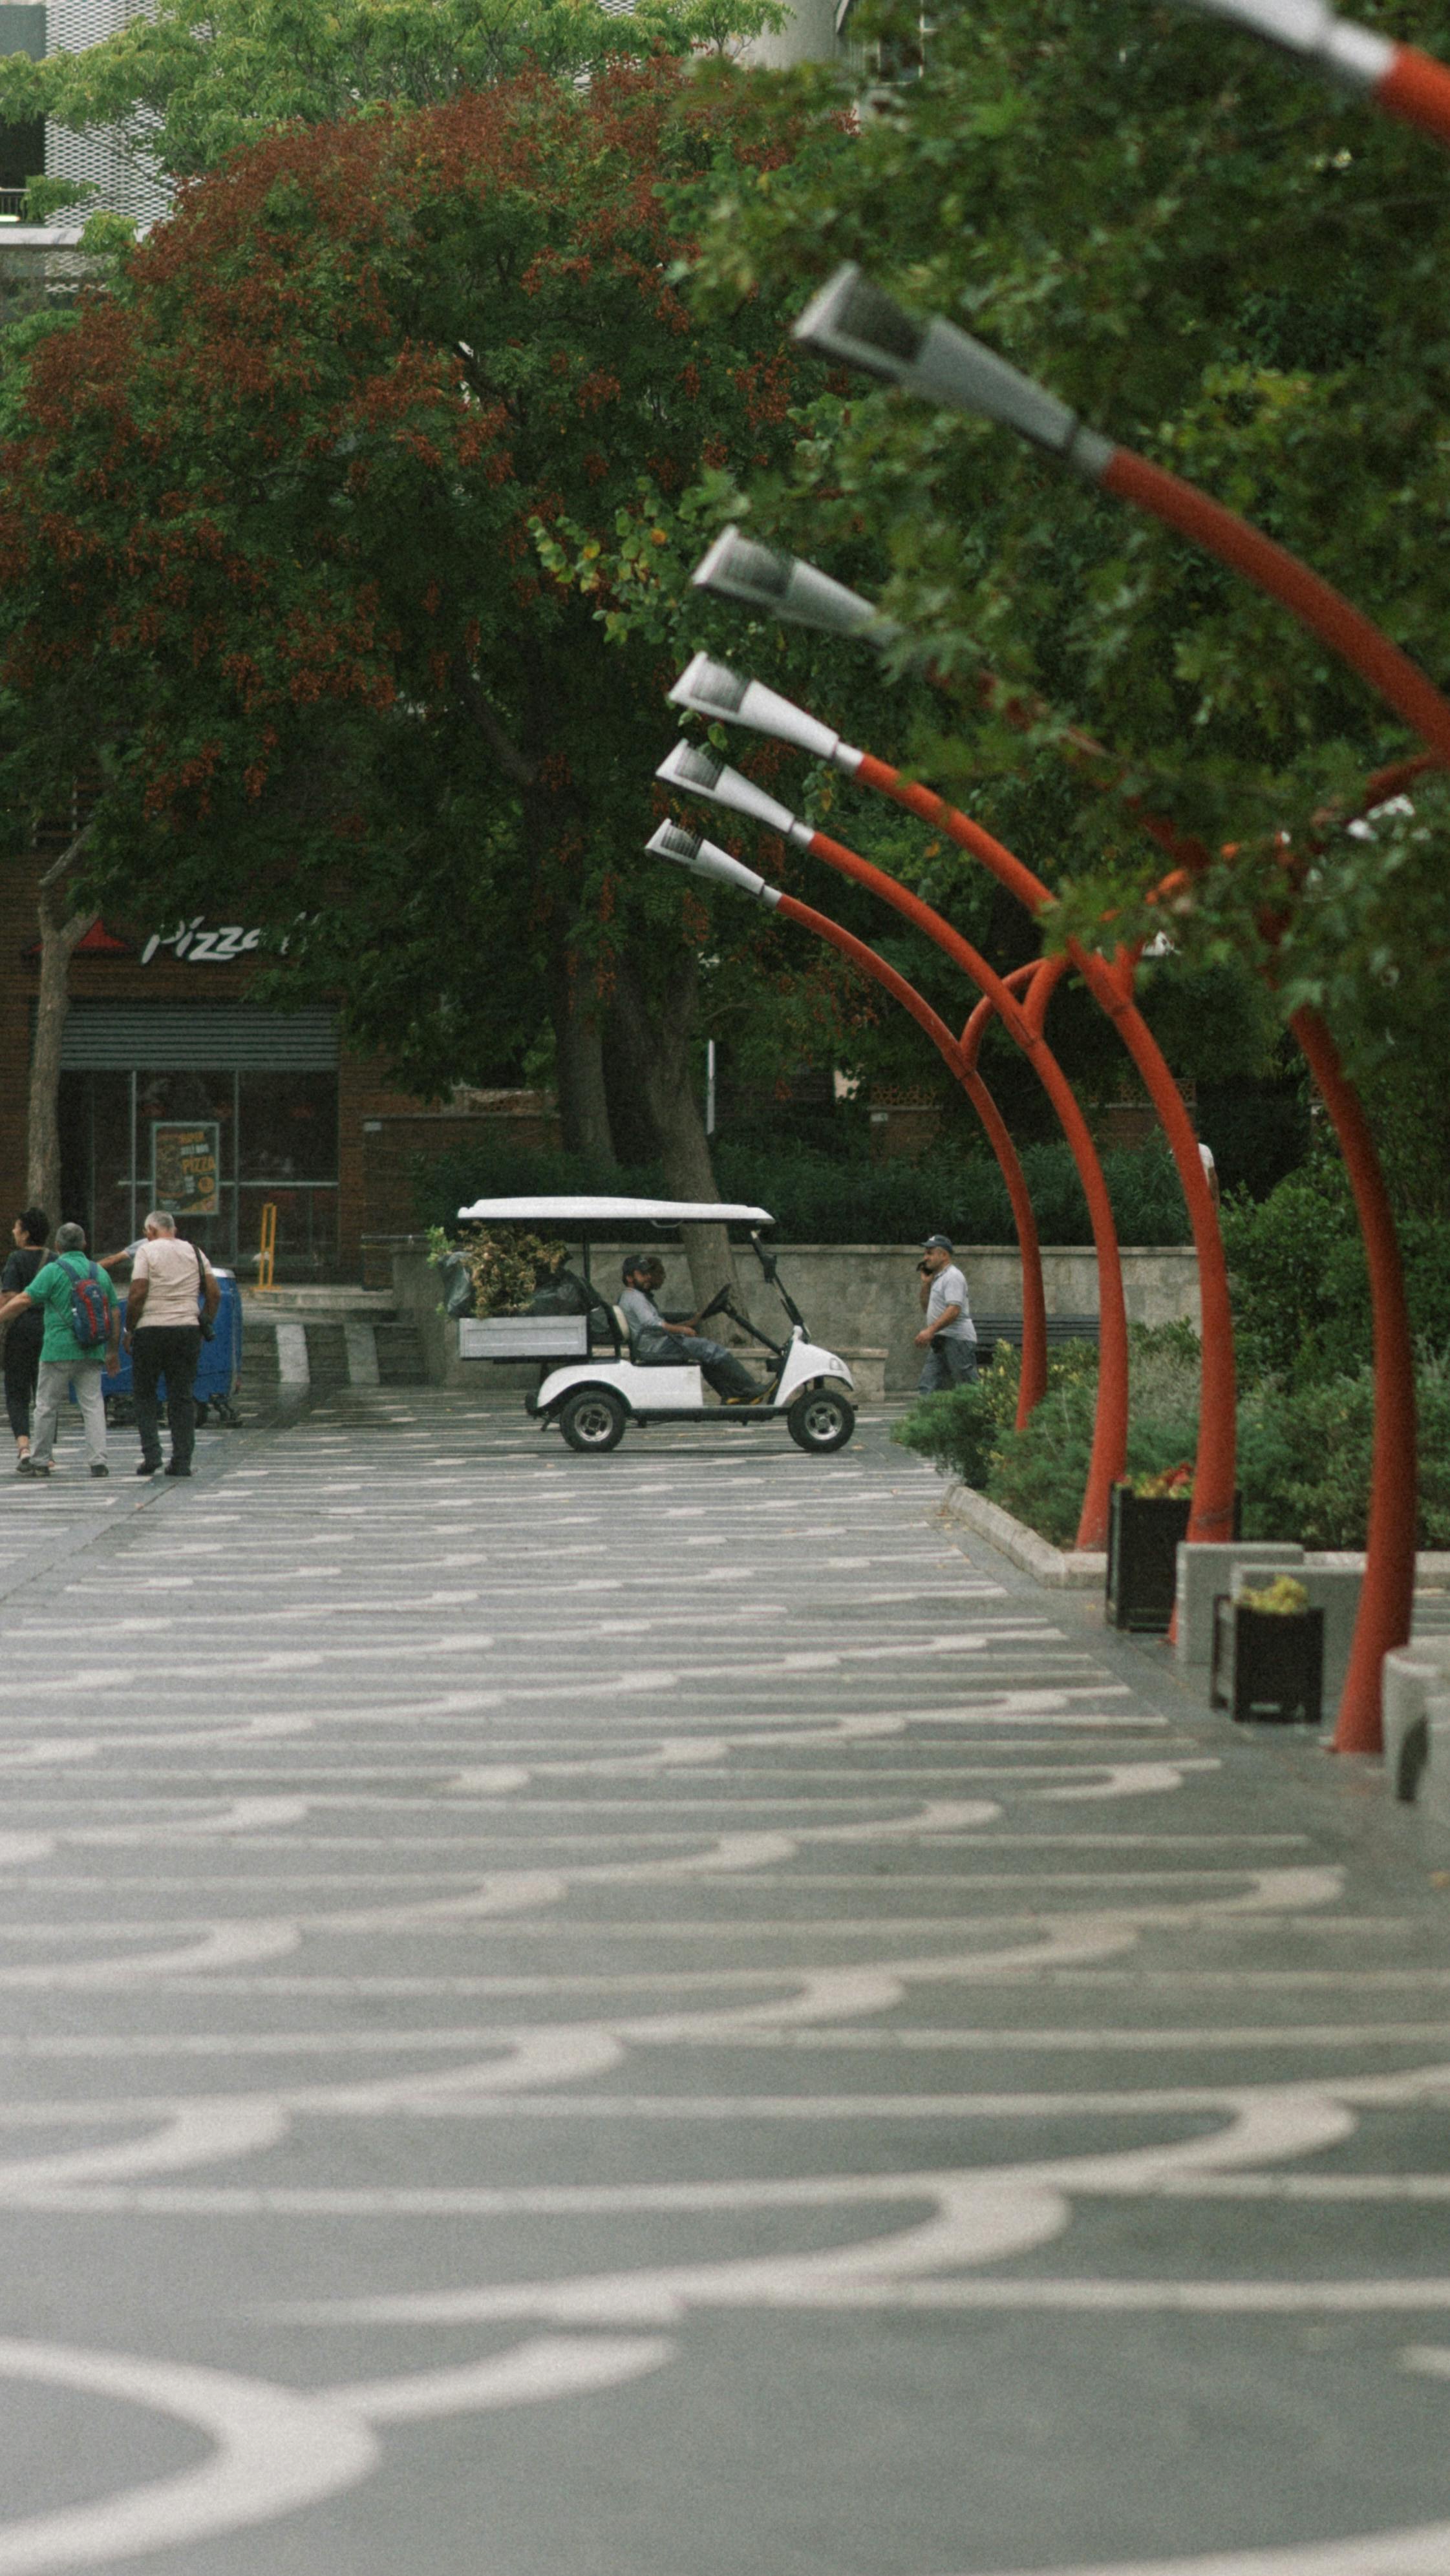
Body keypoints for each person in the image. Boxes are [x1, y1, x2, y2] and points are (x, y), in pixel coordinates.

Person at [0, 1220, 120, 1477]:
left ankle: (41, 1460)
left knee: (45, 1405)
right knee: (92, 1405)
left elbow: (24, 1299)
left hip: (57, 1350)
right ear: (85, 1244)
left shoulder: (54, 1271)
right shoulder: (98, 1272)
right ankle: (98, 1461)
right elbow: (114, 1310)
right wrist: (112, 1350)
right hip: (92, 1349)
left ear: (57, 1246)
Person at [126, 1210, 220, 1479]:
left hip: (151, 1330)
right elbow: (214, 1293)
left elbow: (137, 1293)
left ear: (150, 1231)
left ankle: (152, 1455)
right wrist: (205, 1321)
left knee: (144, 1394)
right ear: (174, 1230)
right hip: (187, 1330)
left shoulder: (147, 1251)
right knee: (181, 1396)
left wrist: (129, 1329)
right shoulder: (195, 1251)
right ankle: (181, 1461)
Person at [619, 1254, 765, 1403]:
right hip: (655, 1346)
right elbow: (652, 1324)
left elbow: (659, 1322)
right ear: (630, 1278)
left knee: (705, 1354)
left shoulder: (638, 1297)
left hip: (656, 1343)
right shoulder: (634, 1298)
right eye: (642, 1274)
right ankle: (750, 1388)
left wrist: (691, 1321)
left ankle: (732, 1394)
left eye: (647, 1273)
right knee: (708, 1348)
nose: (648, 1277)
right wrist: (684, 1330)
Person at [1, 1206, 50, 1472]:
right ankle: (47, 1452)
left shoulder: (16, 1260)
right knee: (45, 1393)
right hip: (50, 1330)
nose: (13, 1231)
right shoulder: (54, 1259)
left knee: (17, 1392)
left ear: (26, 1233)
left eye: (17, 1227)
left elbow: (8, 1297)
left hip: (21, 1329)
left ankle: (23, 1447)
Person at [915, 1232, 979, 1393]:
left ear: (943, 1255)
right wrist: (926, 1284)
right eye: (925, 1253)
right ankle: (927, 1418)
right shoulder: (937, 1278)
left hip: (957, 1339)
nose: (925, 1257)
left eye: (930, 1253)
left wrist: (930, 1330)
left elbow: (954, 1310)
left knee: (967, 1384)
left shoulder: (953, 1277)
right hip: (941, 1339)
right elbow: (926, 1308)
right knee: (927, 1385)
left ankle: (983, 1416)